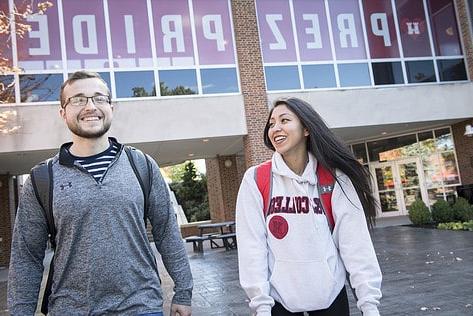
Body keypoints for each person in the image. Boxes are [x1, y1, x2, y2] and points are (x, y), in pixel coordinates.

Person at [8, 71, 193, 316]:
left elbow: (167, 231)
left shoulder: (141, 165)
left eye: (99, 98)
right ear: (63, 113)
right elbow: (26, 255)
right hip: (70, 309)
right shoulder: (42, 178)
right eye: (78, 99)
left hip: (141, 306)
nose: (90, 106)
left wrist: (183, 290)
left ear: (111, 107)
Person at [236, 97, 382, 316]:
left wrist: (369, 305)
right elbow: (252, 248)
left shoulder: (335, 179)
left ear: (306, 128)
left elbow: (356, 245)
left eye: (284, 120)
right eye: (272, 123)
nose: (275, 128)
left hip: (330, 298)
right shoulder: (256, 179)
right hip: (278, 303)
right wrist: (261, 307)